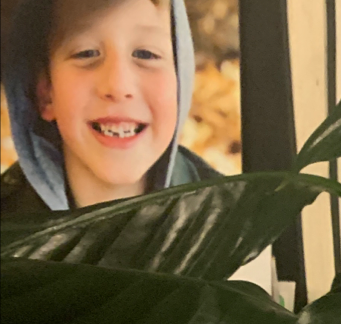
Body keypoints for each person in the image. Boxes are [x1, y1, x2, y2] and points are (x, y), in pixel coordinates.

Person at [0, 0, 218, 215]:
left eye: (146, 54)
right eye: (86, 53)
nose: (118, 86)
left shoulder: (237, 230)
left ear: (181, 78)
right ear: (45, 92)